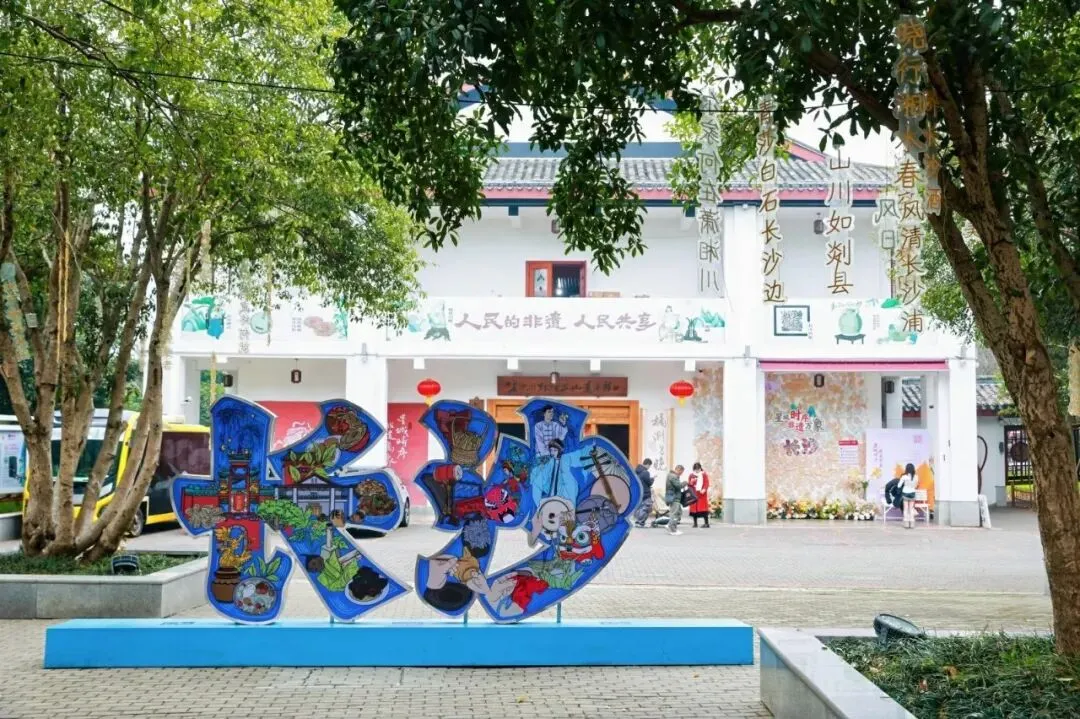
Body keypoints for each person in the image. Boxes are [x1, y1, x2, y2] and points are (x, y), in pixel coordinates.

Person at [664, 465, 686, 536]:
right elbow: (678, 486)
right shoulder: (673, 476)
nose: (681, 474)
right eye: (681, 472)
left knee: (678, 512)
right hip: (674, 497)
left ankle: (672, 527)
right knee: (674, 513)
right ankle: (672, 529)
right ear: (678, 470)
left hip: (674, 497)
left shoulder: (672, 475)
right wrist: (685, 483)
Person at [632, 458, 654, 527]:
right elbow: (649, 483)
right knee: (647, 507)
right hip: (646, 493)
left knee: (640, 507)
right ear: (647, 464)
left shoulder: (636, 471)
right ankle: (640, 522)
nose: (649, 467)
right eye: (649, 466)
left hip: (638, 493)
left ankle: (637, 521)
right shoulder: (645, 472)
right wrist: (652, 479)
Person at [688, 462, 711, 528]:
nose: (697, 470)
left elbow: (706, 483)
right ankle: (695, 523)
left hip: (701, 494)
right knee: (694, 510)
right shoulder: (691, 475)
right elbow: (689, 484)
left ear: (700, 468)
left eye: (698, 469)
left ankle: (706, 523)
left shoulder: (704, 474)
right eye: (696, 469)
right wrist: (691, 482)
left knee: (703, 509)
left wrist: (704, 489)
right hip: (694, 494)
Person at [899, 462, 919, 529]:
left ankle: (906, 523)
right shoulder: (916, 476)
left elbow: (899, 485)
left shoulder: (904, 476)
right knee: (911, 508)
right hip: (912, 493)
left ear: (906, 469)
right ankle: (912, 523)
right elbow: (916, 486)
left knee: (906, 508)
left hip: (905, 493)